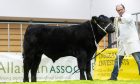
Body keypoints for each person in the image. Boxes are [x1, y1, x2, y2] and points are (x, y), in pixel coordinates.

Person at [109, 4, 140, 80]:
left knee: (138, 60)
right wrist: (117, 40)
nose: (120, 11)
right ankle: (113, 78)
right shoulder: (118, 20)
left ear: (124, 9)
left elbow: (125, 19)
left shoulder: (128, 15)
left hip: (132, 42)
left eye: (121, 9)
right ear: (117, 11)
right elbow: (119, 32)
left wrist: (116, 19)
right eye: (118, 10)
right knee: (117, 61)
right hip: (122, 43)